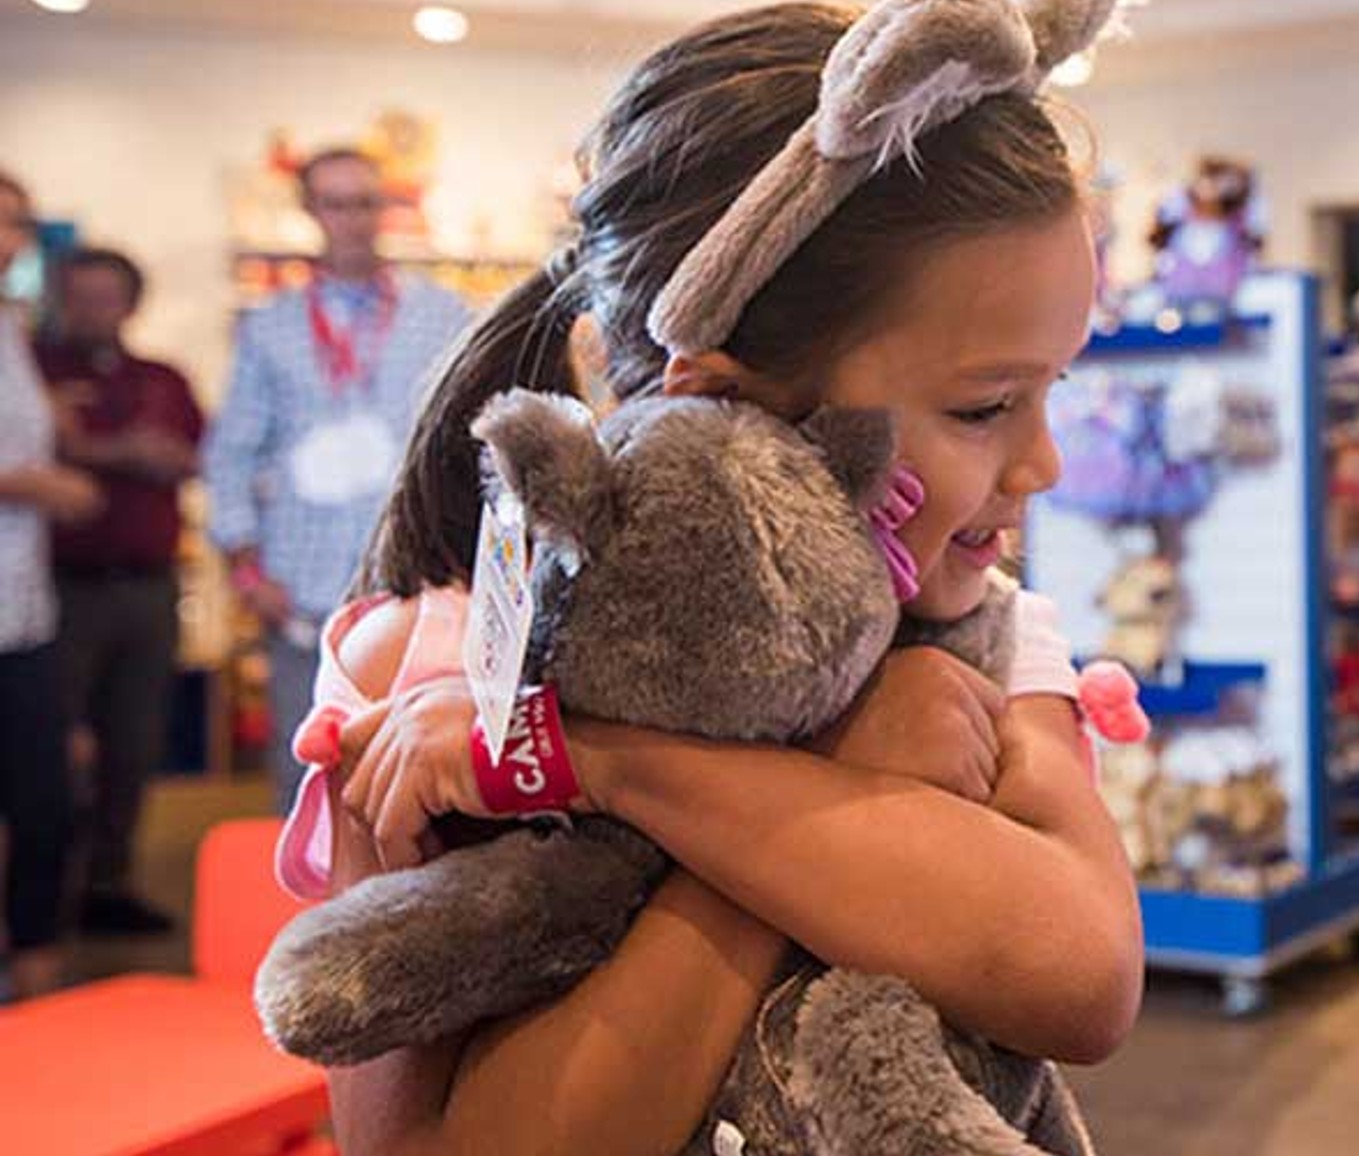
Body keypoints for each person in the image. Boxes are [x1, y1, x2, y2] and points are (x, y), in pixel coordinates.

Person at [283, 5, 1142, 1152]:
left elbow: (1083, 979)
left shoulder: (989, 643)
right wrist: (830, 771)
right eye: (986, 406)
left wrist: (607, 763)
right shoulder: (430, 678)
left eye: (1052, 390)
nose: (1044, 465)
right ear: (722, 403)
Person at [199, 147, 472, 810]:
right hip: (302, 590)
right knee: (307, 770)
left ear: (385, 209)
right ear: (311, 211)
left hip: (414, 583)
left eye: (365, 203)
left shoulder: (445, 315)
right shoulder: (270, 326)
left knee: (416, 772)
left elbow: (465, 439)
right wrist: (247, 573)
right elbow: (231, 452)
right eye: (336, 204)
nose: (353, 220)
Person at [35, 246, 206, 936]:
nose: (92, 312)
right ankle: (43, 893)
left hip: (147, 587)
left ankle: (109, 882)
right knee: (49, 745)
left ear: (131, 305)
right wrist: (123, 452)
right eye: (80, 298)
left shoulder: (163, 378)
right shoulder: (32, 372)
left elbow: (198, 455)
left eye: (106, 298)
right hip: (61, 591)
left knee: (134, 742)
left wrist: (115, 452)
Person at [0, 170, 102, 999]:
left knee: (45, 797)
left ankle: (35, 984)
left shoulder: (12, 326)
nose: (7, 240)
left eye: (16, 224)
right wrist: (38, 485)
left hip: (24, 605)